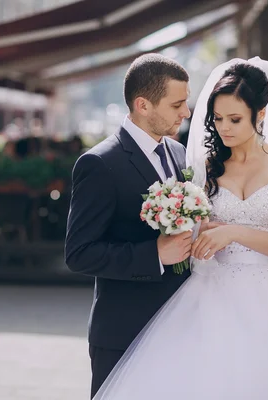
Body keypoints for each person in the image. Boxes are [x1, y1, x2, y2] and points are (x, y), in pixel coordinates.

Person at [90, 58, 268, 399]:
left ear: (261, 115)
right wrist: (193, 232)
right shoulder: (204, 167)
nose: (224, 128)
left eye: (235, 119)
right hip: (209, 294)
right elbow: (193, 228)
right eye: (218, 118)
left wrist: (233, 232)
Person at [64, 53, 193, 398]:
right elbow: (79, 254)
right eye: (177, 103)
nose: (186, 112)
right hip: (124, 334)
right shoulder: (99, 164)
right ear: (143, 105)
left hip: (179, 330)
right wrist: (154, 254)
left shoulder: (180, 155)